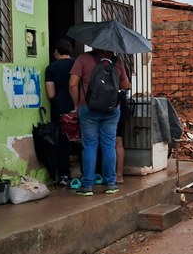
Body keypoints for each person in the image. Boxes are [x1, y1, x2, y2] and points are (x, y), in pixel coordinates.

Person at [69, 48, 131, 196]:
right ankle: (110, 183)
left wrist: (77, 104)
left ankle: (87, 185)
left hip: (89, 108)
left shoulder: (83, 58)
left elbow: (72, 84)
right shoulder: (116, 61)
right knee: (109, 146)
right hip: (111, 109)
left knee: (90, 146)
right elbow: (125, 85)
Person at [44, 39, 75, 186]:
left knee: (63, 143)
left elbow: (50, 94)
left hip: (60, 109)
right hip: (79, 107)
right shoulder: (78, 64)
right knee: (85, 140)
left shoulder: (51, 68)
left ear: (56, 51)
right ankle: (88, 174)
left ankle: (64, 175)